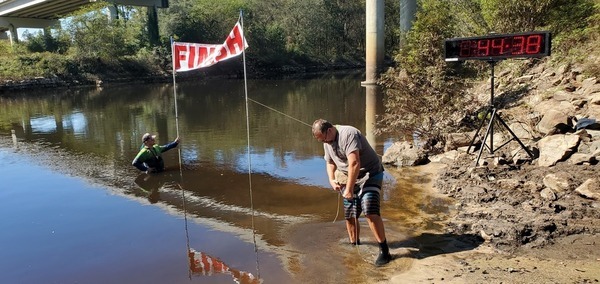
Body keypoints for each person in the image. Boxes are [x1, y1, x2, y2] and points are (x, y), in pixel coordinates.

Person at [311, 118, 392, 266]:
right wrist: (331, 179)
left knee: (369, 210)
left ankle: (384, 251)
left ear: (329, 130)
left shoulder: (348, 134)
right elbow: (330, 162)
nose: (325, 143)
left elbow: (355, 163)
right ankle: (354, 244)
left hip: (370, 173)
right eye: (321, 141)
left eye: (324, 139)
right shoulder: (327, 142)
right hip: (347, 176)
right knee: (350, 214)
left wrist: (348, 189)